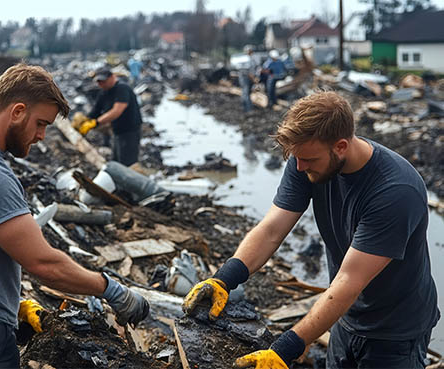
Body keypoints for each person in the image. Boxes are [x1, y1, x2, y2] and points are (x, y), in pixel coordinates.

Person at [0, 64, 150, 368]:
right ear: (17, 111)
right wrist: (113, 291)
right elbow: (44, 264)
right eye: (41, 123)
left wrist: (13, 303)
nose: (41, 136)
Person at [183, 91, 440, 369]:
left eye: (308, 160)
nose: (298, 166)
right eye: (296, 158)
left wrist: (285, 348)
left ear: (341, 146)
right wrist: (224, 279)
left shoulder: (395, 191)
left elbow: (349, 281)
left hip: (396, 332)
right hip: (343, 316)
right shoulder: (305, 159)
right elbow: (272, 229)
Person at [87, 67, 143, 166]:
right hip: (117, 131)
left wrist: (96, 122)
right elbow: (95, 111)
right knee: (117, 160)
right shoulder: (104, 92)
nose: (101, 84)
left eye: (103, 81)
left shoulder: (122, 88)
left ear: (112, 77)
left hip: (130, 131)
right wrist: (85, 120)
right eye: (99, 82)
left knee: (127, 163)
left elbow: (117, 111)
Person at [238, 45, 258, 113]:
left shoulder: (251, 59)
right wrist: (253, 78)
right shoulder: (245, 59)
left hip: (249, 78)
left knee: (247, 93)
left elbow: (254, 69)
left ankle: (245, 108)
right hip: (245, 78)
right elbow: (246, 71)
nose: (250, 52)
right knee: (245, 93)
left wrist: (255, 76)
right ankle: (248, 109)